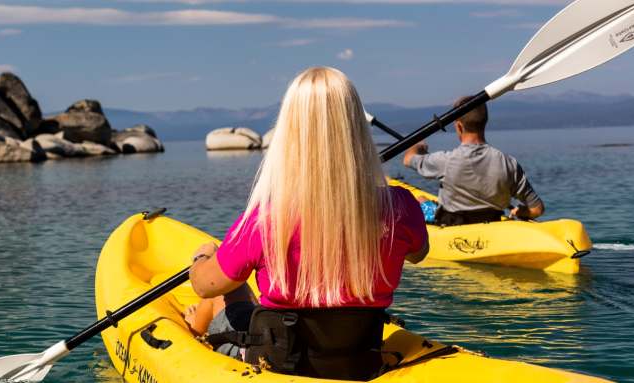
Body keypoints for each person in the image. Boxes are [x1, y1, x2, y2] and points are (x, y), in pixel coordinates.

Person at [185, 67, 429, 381]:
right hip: (357, 361)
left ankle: (194, 332)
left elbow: (204, 285)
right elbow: (418, 253)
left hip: (278, 364)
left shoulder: (265, 218)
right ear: (355, 127)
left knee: (225, 294)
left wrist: (202, 256)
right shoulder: (401, 207)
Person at [403, 97, 544, 226]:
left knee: (418, 199)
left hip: (450, 227)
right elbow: (537, 209)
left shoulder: (445, 161)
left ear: (459, 126)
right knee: (424, 199)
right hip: (491, 223)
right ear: (484, 122)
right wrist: (521, 212)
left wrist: (419, 146)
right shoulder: (509, 164)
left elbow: (408, 159)